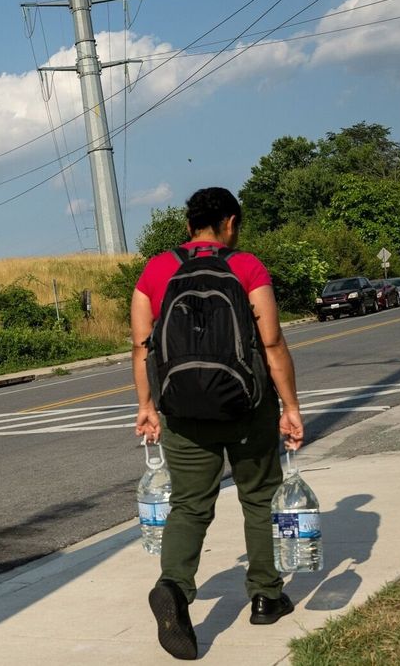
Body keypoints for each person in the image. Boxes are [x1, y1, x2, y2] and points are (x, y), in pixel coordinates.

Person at [131, 186, 304, 660]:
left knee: (189, 505)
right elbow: (271, 343)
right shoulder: (246, 266)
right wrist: (290, 406)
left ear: (188, 226)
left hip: (182, 412)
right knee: (259, 497)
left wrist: (146, 405)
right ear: (230, 223)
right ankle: (267, 596)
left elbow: (142, 346)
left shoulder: (156, 270)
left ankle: (174, 588)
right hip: (247, 408)